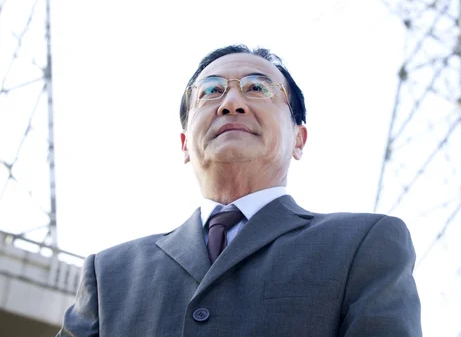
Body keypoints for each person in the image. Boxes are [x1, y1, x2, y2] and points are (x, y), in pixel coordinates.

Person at [58, 44, 422, 336]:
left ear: (299, 138)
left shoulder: (363, 244)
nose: (232, 103)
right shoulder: (110, 274)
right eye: (211, 91)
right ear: (185, 144)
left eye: (257, 88)